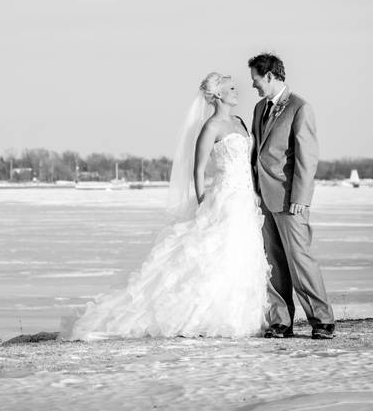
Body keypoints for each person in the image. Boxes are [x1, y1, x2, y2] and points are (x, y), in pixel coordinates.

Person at [66, 73, 270, 340]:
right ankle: (209, 316)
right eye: (231, 88)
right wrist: (202, 205)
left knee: (245, 254)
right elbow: (197, 171)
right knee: (221, 254)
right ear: (218, 94)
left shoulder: (241, 122)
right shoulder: (211, 127)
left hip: (246, 199)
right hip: (225, 199)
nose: (237, 92)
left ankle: (242, 315)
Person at [248, 53, 335, 340]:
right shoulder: (260, 108)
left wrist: (301, 197)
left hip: (289, 199)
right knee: (272, 263)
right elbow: (256, 154)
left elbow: (306, 158)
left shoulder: (300, 108)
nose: (254, 86)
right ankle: (281, 322)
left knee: (300, 260)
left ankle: (322, 320)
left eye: (256, 80)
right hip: (264, 199)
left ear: (270, 76)